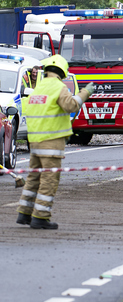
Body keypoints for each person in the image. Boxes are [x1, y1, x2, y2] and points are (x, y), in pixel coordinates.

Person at [16, 55, 94, 230]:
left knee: (33, 178)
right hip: (51, 143)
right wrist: (86, 92)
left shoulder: (39, 88)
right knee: (49, 180)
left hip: (35, 142)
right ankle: (40, 217)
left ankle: (24, 213)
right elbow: (71, 106)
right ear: (62, 71)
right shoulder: (59, 87)